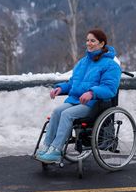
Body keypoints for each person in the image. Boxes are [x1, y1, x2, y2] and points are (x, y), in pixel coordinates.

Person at [36, 28, 122, 164]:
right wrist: (60, 88)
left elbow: (110, 88)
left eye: (93, 41)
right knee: (57, 111)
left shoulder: (111, 65)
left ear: (101, 44)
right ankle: (47, 146)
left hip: (94, 104)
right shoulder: (83, 62)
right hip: (76, 100)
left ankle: (56, 150)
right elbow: (73, 83)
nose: (89, 43)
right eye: (87, 40)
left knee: (66, 114)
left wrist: (92, 92)